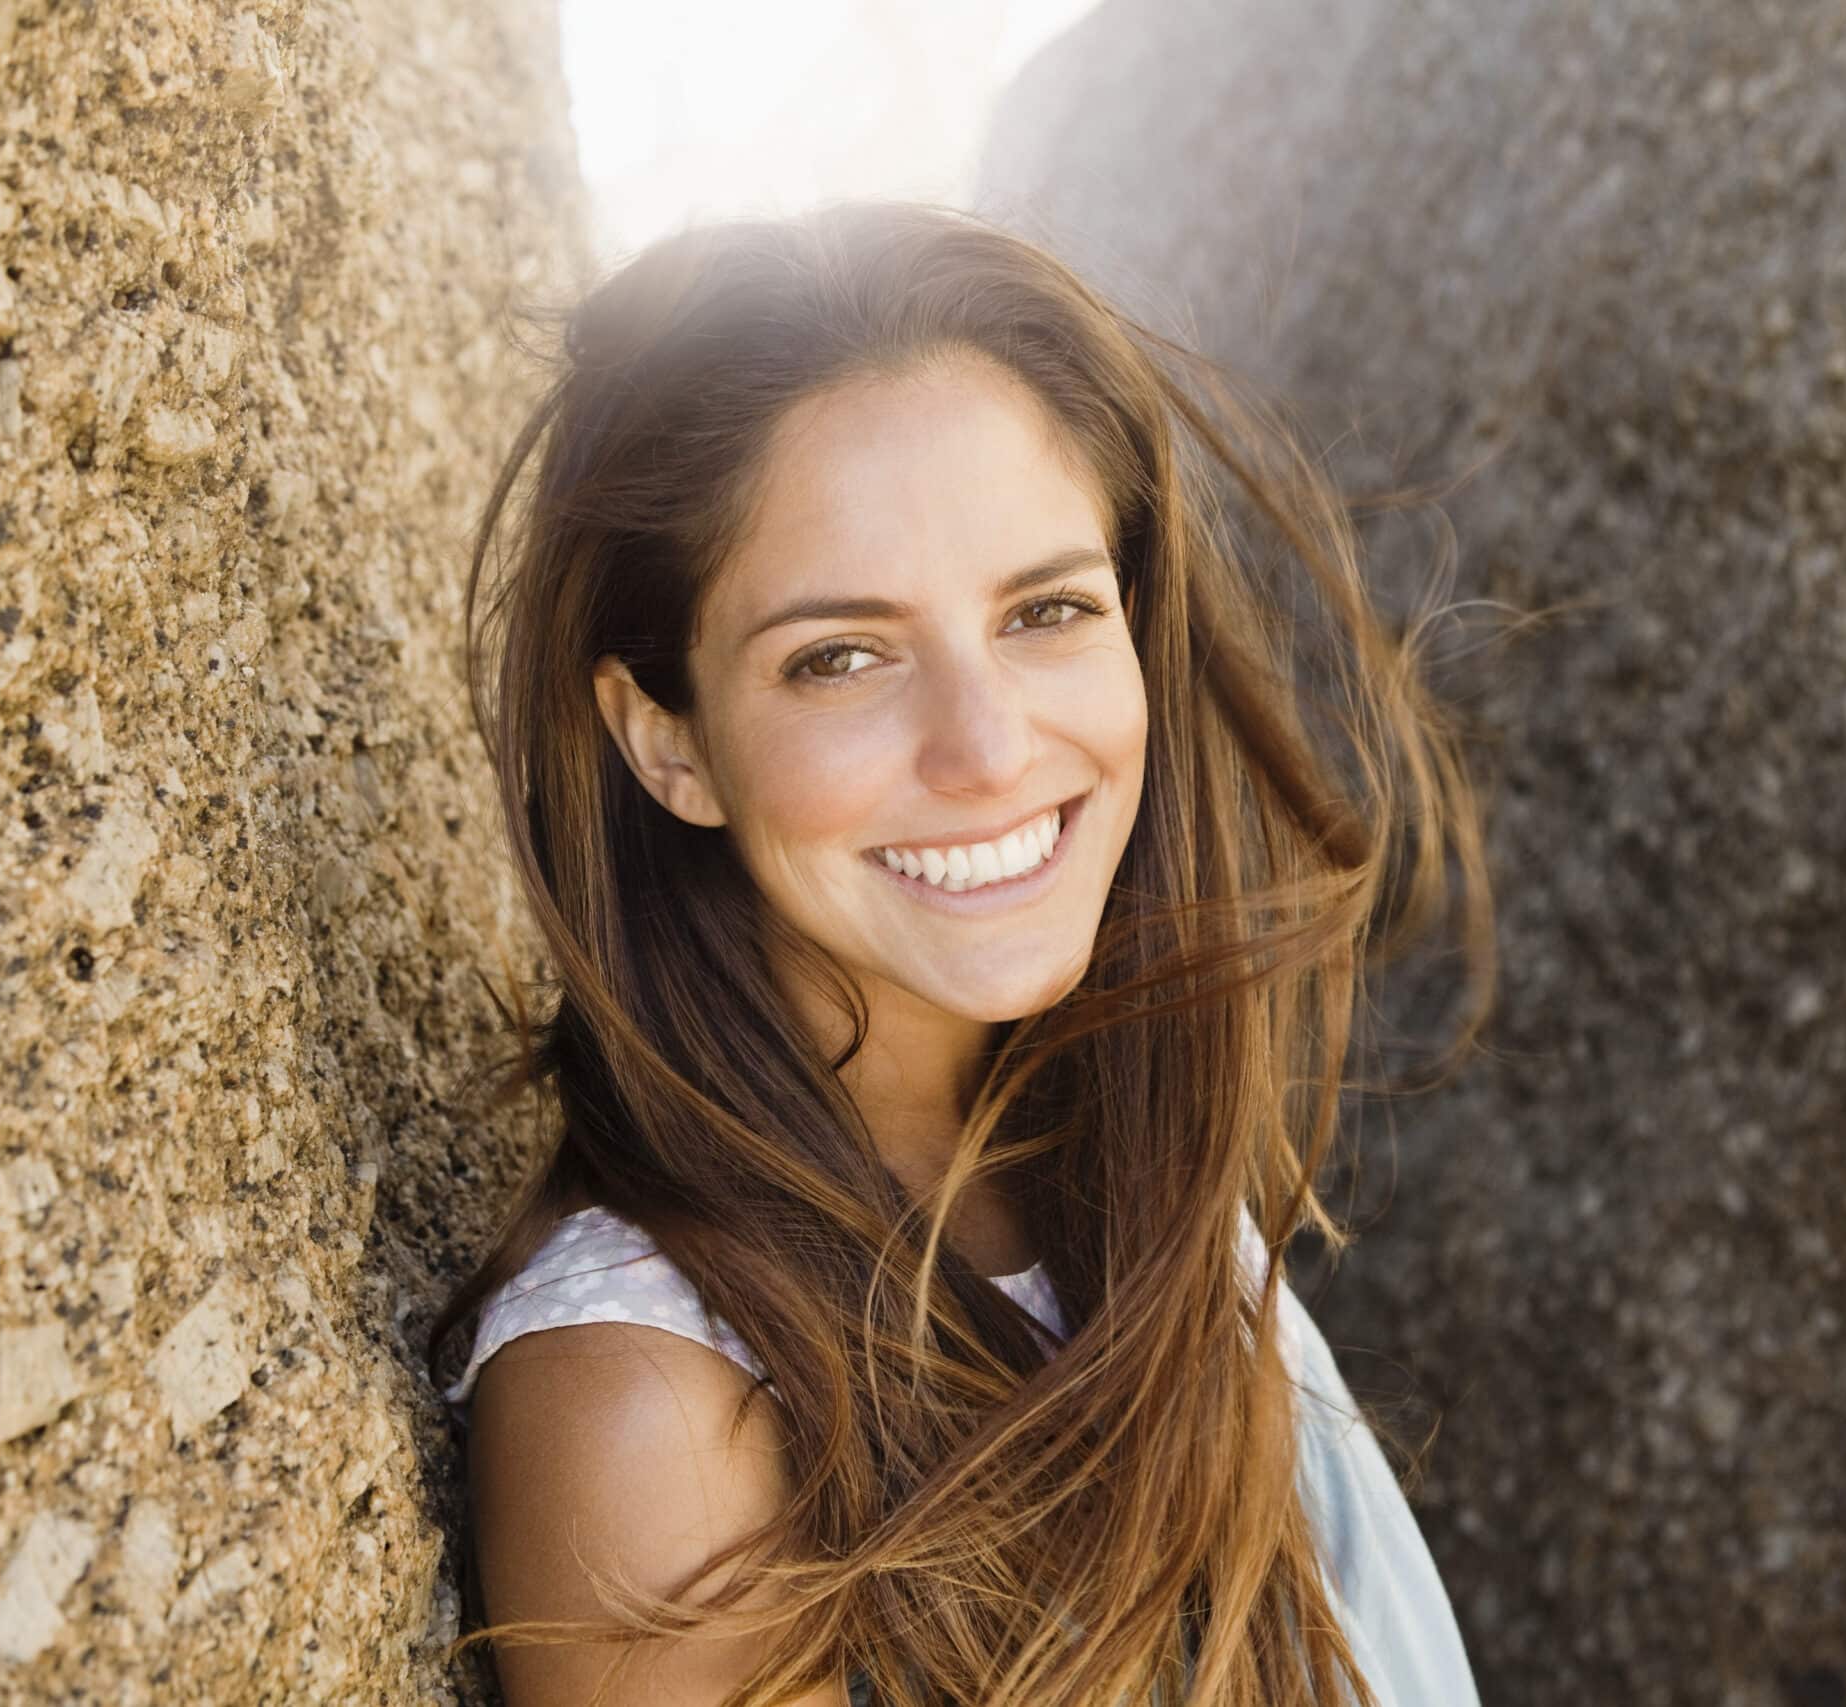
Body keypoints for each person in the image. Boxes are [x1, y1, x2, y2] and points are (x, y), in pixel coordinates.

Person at [427, 199, 1498, 1707]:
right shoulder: (654, 1418)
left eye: (1047, 609)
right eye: (842, 656)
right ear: (666, 741)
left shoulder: (1134, 1198)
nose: (989, 750)